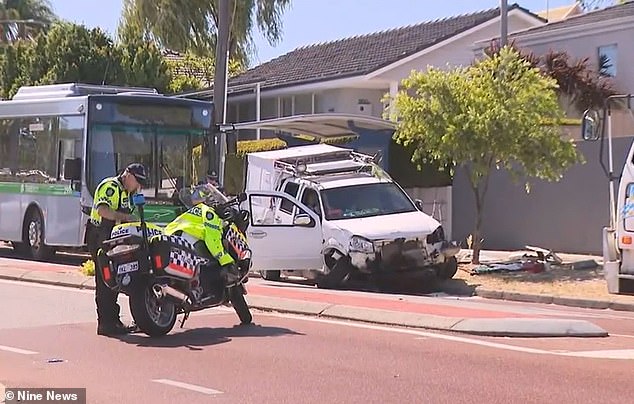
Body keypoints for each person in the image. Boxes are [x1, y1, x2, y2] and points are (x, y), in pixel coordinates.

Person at [87, 163, 147, 336]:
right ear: (128, 175)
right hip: (100, 235)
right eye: (137, 181)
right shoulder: (111, 186)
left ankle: (114, 320)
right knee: (106, 280)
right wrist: (125, 217)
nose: (138, 185)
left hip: (113, 236)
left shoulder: (129, 192)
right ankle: (106, 324)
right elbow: (103, 210)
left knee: (118, 278)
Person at [163, 188, 241, 287]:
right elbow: (213, 242)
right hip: (185, 243)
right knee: (210, 263)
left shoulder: (197, 210)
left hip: (171, 240)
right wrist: (228, 262)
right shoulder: (210, 214)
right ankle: (200, 289)